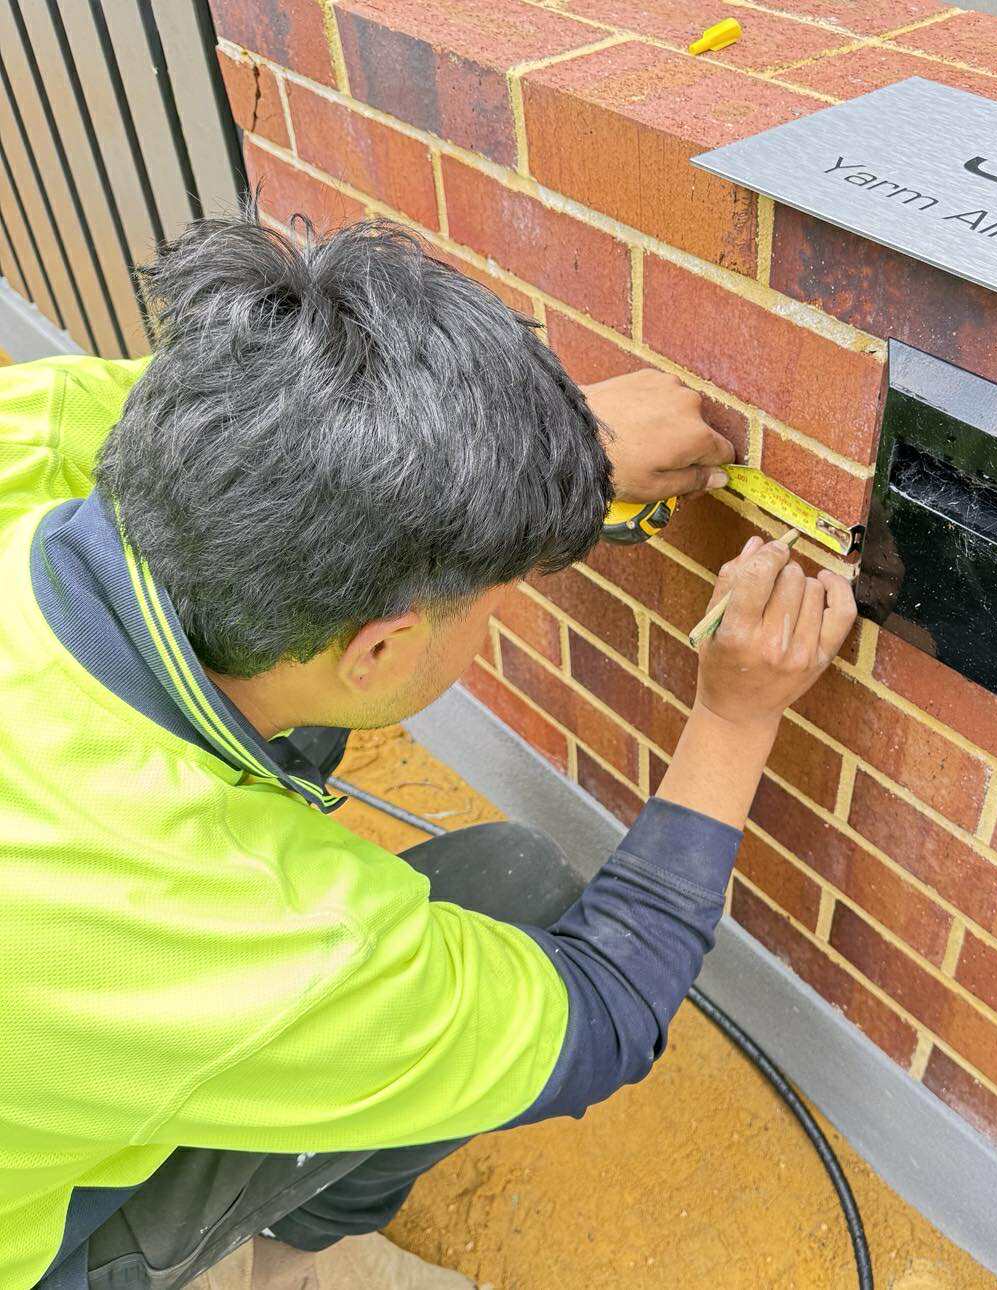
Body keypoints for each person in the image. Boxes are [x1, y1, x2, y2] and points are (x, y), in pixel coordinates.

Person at [1, 207, 857, 1290]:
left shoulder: (32, 423)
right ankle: (281, 1266)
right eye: (498, 595)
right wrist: (737, 716)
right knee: (512, 883)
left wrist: (543, 452)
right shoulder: (252, 930)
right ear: (384, 647)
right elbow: (602, 1011)